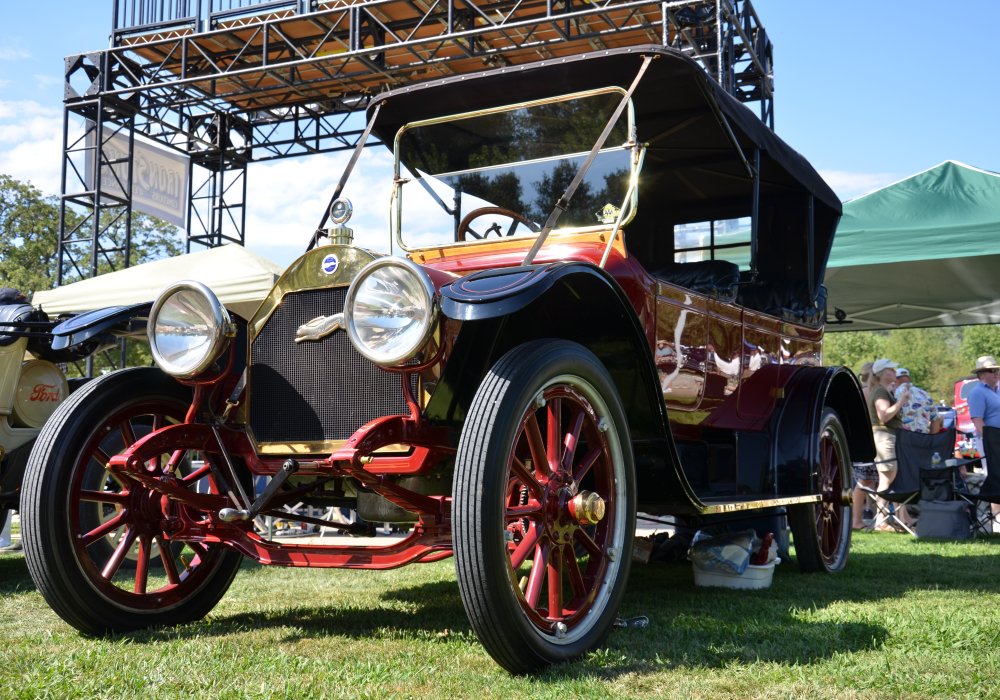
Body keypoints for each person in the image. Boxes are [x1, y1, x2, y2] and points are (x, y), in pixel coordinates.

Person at [867, 358, 911, 531]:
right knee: (886, 479)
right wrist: (901, 401)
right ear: (882, 373)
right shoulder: (880, 392)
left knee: (889, 478)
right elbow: (884, 416)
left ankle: (890, 519)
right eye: (891, 370)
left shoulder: (882, 390)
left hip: (885, 436)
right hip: (884, 437)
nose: (894, 372)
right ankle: (881, 521)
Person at [967, 355, 1000, 523]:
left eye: (997, 370)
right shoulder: (977, 392)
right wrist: (989, 442)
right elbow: (977, 421)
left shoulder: (997, 390)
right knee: (994, 474)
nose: (996, 373)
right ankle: (996, 516)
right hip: (990, 440)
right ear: (981, 375)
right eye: (991, 370)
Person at [851, 360, 878, 529]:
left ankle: (867, 515)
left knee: (867, 480)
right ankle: (857, 520)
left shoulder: (859, 392)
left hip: (861, 440)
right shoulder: (871, 392)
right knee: (865, 481)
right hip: (870, 440)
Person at [894, 368, 943, 435]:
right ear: (909, 379)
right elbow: (936, 419)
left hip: (902, 437)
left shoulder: (894, 393)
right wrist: (932, 437)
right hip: (923, 437)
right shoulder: (924, 394)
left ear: (895, 380)